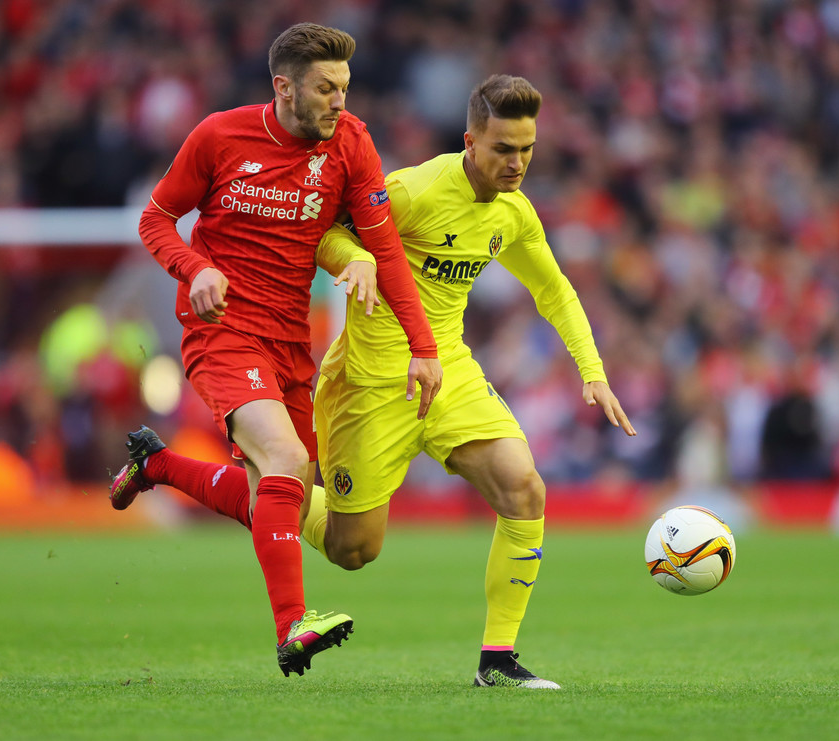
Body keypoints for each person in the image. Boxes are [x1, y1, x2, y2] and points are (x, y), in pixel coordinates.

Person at [114, 74, 635, 688]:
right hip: (367, 387)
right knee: (351, 548)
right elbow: (328, 232)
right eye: (503, 149)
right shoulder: (415, 191)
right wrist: (358, 258)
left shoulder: (514, 214)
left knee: (525, 489)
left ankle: (497, 662)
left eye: (526, 149)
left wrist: (593, 372)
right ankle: (164, 466)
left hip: (448, 372)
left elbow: (555, 291)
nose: (516, 163)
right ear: (470, 142)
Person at [114, 22, 442, 678]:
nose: (339, 101)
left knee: (279, 493)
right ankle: (293, 626)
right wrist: (195, 268)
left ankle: (159, 465)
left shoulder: (352, 142)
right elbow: (155, 218)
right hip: (222, 330)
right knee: (286, 459)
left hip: (292, 341)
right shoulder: (219, 136)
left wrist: (423, 345)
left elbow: (384, 249)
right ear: (283, 87)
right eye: (325, 88)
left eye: (344, 87)